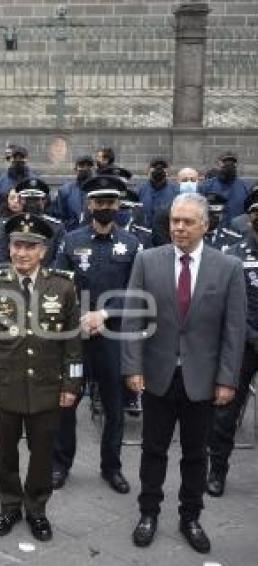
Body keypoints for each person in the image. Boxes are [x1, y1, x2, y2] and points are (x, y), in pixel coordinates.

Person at [122, 192, 245, 554]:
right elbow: (133, 318)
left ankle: (191, 516)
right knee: (152, 451)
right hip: (158, 375)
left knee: (195, 454)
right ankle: (148, 512)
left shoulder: (228, 268)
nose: (179, 228)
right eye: (175, 220)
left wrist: (226, 379)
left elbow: (233, 330)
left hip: (203, 380)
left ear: (205, 225)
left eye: (188, 221)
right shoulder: (147, 261)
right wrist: (132, 367)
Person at [0, 213, 82, 542]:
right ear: (8, 247)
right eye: (17, 245)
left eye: (30, 247)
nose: (22, 253)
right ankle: (9, 506)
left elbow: (72, 342)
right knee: (4, 454)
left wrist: (71, 385)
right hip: (3, 388)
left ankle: (36, 509)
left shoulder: (62, 287)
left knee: (42, 454)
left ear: (43, 251)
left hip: (48, 388)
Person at [51, 175, 141, 494]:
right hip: (76, 335)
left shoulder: (131, 245)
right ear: (90, 205)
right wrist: (82, 317)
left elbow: (135, 290)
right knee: (67, 403)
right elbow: (59, 284)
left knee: (115, 406)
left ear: (118, 206)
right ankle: (61, 463)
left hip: (113, 335)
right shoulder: (71, 240)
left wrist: (104, 314)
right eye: (99, 203)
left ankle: (111, 467)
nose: (105, 208)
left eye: (110, 203)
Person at [209, 190, 258, 497]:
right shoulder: (234, 255)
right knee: (225, 414)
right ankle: (217, 472)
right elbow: (227, 305)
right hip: (243, 347)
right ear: (251, 217)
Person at [201, 151, 250, 228]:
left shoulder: (246, 187)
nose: (228, 165)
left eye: (232, 163)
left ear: (236, 165)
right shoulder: (206, 186)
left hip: (238, 232)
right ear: (219, 164)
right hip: (214, 231)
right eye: (225, 162)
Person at [0, 146, 34, 217]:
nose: (18, 160)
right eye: (15, 157)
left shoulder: (35, 181)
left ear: (26, 159)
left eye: (21, 157)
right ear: (11, 159)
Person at [53, 155, 94, 231]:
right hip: (71, 234)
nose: (85, 169)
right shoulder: (65, 190)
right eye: (82, 166)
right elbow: (60, 217)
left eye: (88, 166)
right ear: (75, 169)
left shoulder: (98, 190)